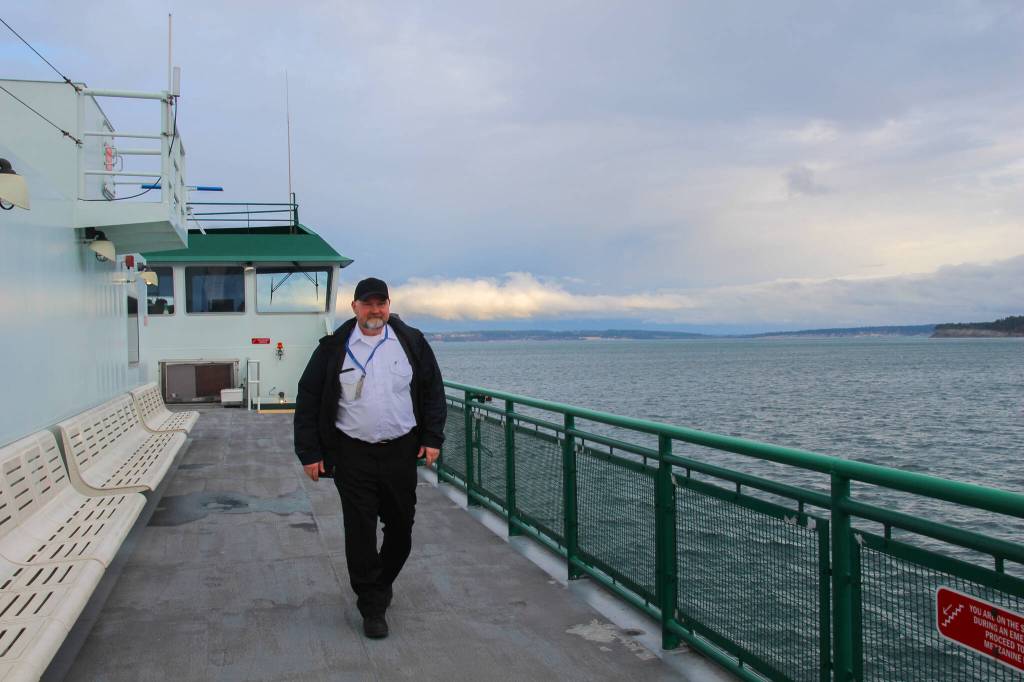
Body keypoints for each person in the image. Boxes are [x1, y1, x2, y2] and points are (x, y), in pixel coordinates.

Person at [293, 277, 446, 639]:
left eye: (381, 303)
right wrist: (310, 452)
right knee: (359, 532)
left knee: (401, 529)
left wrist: (432, 438)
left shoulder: (411, 343)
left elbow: (432, 392)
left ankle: (379, 582)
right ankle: (372, 606)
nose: (375, 310)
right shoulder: (334, 348)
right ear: (354, 307)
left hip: (399, 451)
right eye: (368, 304)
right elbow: (309, 397)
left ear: (389, 305)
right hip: (352, 452)